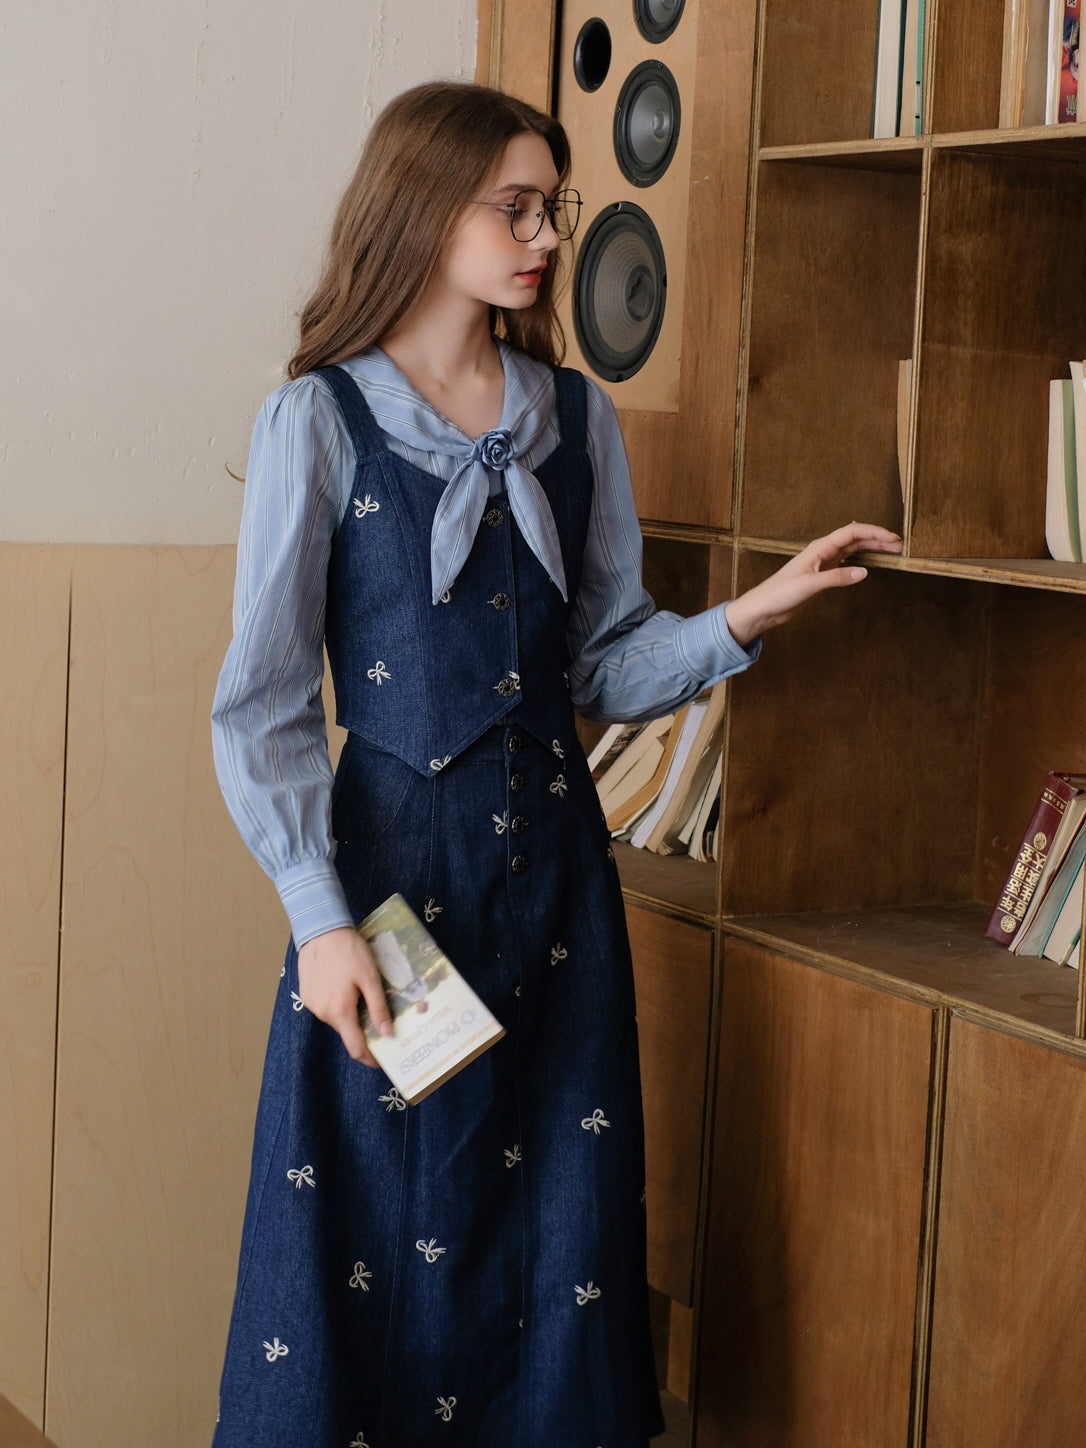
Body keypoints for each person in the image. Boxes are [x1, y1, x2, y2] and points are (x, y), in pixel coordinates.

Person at [209, 80, 901, 1448]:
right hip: (388, 899)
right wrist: (319, 920)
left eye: (552, 206)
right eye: (513, 206)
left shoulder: (575, 420)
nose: (544, 235)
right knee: (381, 1234)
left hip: (560, 902)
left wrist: (747, 615)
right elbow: (266, 706)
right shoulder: (320, 422)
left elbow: (603, 667)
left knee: (556, 1241)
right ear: (422, 208)